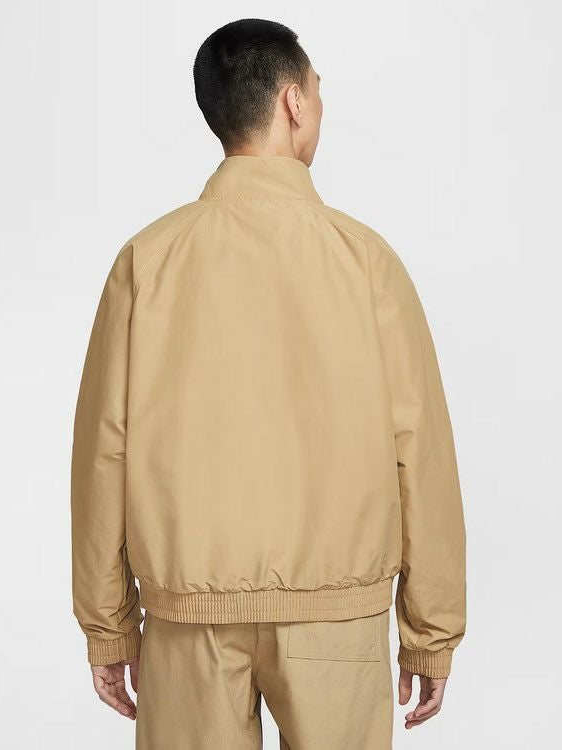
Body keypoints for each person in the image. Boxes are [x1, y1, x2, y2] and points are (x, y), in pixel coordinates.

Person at [71, 18, 466, 749]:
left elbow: (104, 451)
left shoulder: (146, 262)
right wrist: (431, 632)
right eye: (316, 89)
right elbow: (422, 450)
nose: (319, 105)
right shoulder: (366, 261)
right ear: (293, 102)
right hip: (338, 617)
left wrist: (108, 625)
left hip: (186, 618)